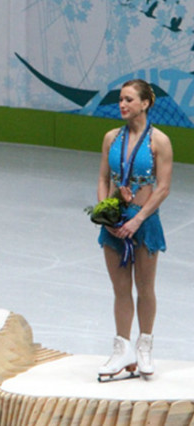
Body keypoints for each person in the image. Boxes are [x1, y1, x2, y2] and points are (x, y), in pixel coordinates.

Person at [96, 79, 172, 378]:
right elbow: (104, 179)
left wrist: (137, 220)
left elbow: (163, 188)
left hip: (144, 222)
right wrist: (106, 214)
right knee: (120, 289)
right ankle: (121, 349)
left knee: (145, 287)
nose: (122, 104)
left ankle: (144, 347)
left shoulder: (159, 141)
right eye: (120, 100)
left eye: (128, 99)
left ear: (145, 103)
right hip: (115, 224)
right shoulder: (111, 137)